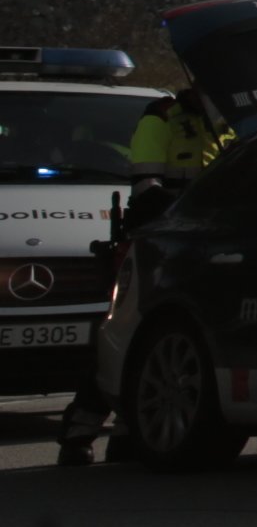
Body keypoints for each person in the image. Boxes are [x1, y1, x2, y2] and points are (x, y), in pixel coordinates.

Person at [56, 89, 232, 465]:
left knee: (159, 339)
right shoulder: (162, 117)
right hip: (157, 237)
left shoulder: (231, 123)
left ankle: (127, 434)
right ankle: (79, 432)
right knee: (127, 332)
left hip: (200, 243)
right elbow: (146, 185)